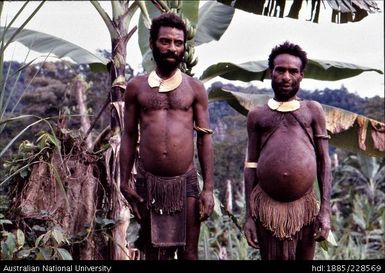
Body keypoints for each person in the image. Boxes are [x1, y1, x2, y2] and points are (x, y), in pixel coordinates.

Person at [119, 12, 214, 260]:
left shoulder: (195, 88)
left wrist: (209, 189)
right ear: (152, 44)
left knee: (189, 254)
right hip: (148, 182)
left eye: (178, 43)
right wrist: (124, 179)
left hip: (187, 182)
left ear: (184, 47)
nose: (172, 48)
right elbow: (129, 135)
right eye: (165, 41)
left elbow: (205, 138)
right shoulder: (136, 87)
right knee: (153, 252)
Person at [243, 41, 332, 260]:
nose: (286, 77)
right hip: (266, 209)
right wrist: (249, 216)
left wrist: (326, 210)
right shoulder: (257, 115)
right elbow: (250, 165)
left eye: (293, 71)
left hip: (305, 209)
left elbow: (324, 162)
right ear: (270, 73)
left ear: (301, 75)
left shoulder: (312, 111)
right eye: (280, 70)